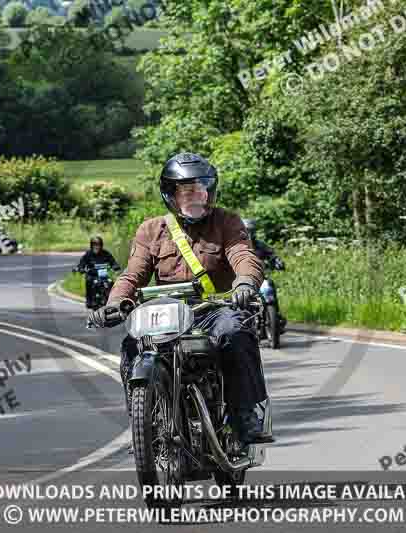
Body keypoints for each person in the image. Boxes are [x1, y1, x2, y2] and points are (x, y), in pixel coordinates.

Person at [88, 152, 274, 445]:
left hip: (214, 309)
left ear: (209, 191)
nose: (193, 196)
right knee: (131, 345)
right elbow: (132, 274)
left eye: (199, 189)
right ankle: (144, 423)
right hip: (166, 313)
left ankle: (245, 413)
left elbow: (244, 257)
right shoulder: (151, 230)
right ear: (171, 195)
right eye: (185, 190)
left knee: (234, 332)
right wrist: (115, 303)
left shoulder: (227, 222)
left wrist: (245, 284)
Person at [241, 218, 287, 333]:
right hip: (243, 280)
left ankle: (276, 317)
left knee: (270, 286)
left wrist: (277, 261)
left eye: (251, 230)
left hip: (260, 278)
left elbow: (271, 255)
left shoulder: (260, 245)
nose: (249, 233)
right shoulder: (237, 247)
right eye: (246, 230)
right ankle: (241, 321)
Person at [75, 236, 121, 309]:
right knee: (89, 281)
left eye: (98, 245)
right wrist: (81, 268)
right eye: (95, 245)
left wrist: (115, 267)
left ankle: (112, 299)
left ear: (101, 245)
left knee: (111, 282)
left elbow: (113, 262)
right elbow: (81, 264)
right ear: (92, 246)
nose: (97, 247)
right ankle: (89, 300)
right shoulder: (88, 254)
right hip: (92, 275)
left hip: (104, 276)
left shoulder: (106, 253)